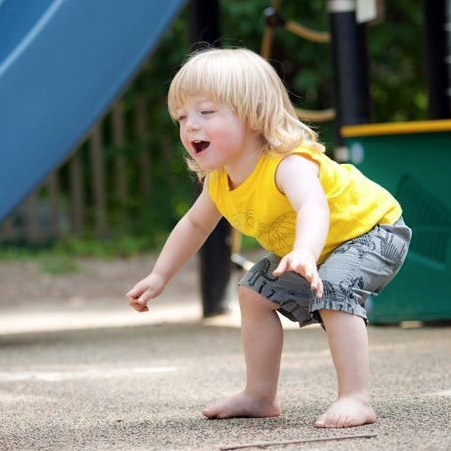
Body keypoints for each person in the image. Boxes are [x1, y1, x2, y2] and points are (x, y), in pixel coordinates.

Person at [126, 48, 411, 428]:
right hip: (318, 249)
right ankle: (260, 395)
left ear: (254, 116)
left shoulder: (287, 163)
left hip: (372, 232)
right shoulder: (219, 180)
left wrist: (305, 252)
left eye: (206, 112)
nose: (190, 125)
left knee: (334, 289)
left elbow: (314, 207)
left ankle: (355, 397)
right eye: (182, 117)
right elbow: (195, 225)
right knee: (253, 292)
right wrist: (160, 275)